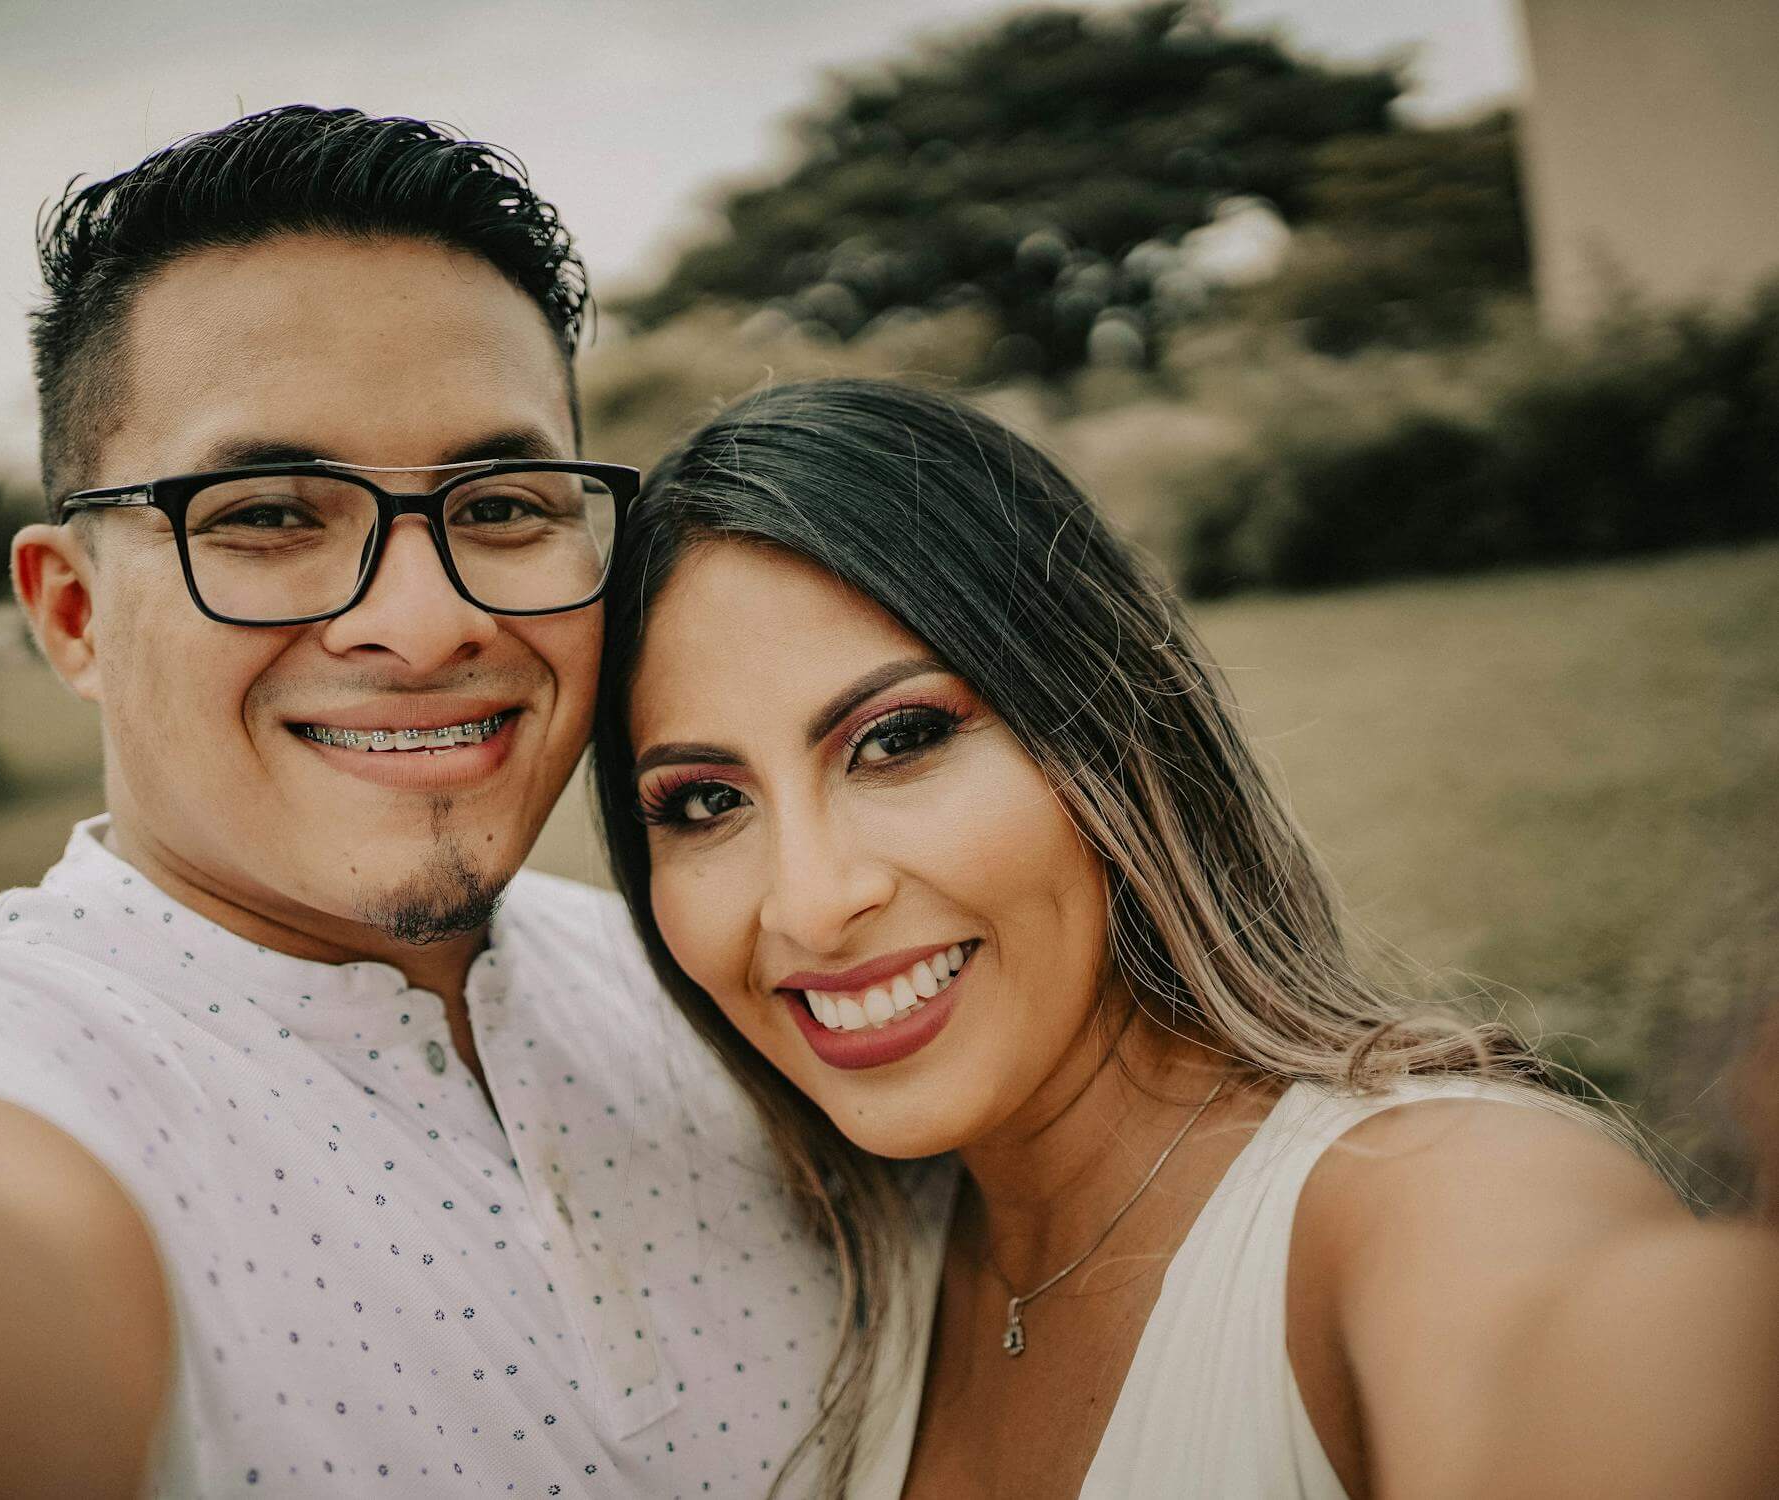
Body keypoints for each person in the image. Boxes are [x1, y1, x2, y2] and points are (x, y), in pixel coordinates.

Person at [0, 109, 862, 1498]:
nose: (423, 623)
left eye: (503, 504)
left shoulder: (703, 979)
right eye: (270, 515)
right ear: (73, 613)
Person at [588, 378, 1779, 1499]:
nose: (807, 902)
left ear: (1111, 727)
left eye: (897, 739)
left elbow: (1565, 1353)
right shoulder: (854, 1268)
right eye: (705, 801)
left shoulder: (1418, 1196)